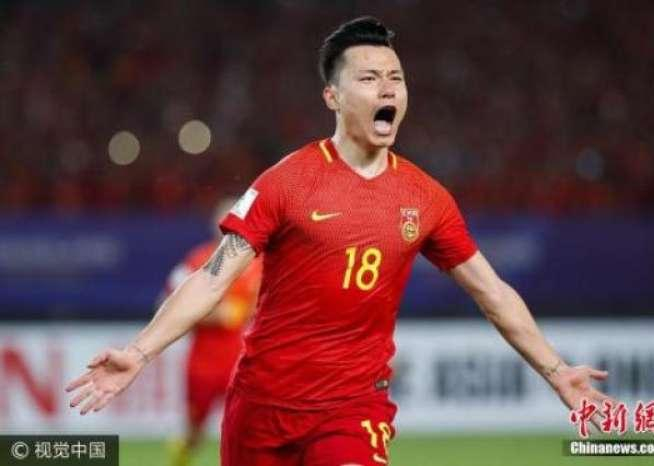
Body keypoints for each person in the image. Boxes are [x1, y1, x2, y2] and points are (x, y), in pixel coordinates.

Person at [67, 17, 615, 465]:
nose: (388, 88)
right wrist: (138, 352)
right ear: (332, 95)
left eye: (396, 78)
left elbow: (491, 292)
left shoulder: (426, 198)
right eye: (370, 78)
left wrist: (554, 369)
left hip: (352, 408)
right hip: (262, 408)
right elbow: (212, 278)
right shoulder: (285, 183)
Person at [162, 199, 262, 466]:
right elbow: (169, 303)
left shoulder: (258, 262)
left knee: (249, 427)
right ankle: (180, 459)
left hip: (242, 362)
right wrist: (211, 314)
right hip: (203, 364)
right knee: (194, 429)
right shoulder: (197, 260)